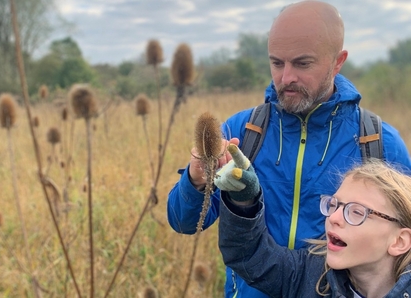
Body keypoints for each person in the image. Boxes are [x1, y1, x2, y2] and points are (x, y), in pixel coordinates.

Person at [167, 1, 411, 297]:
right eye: (277, 63)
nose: (286, 78)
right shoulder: (242, 132)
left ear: (337, 62)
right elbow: (184, 222)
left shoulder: (378, 142)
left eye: (302, 63)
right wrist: (196, 180)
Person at [218, 152, 411, 297]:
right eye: (334, 204)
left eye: (356, 212)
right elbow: (250, 256)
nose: (333, 217)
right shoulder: (309, 276)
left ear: (399, 241)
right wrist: (243, 200)